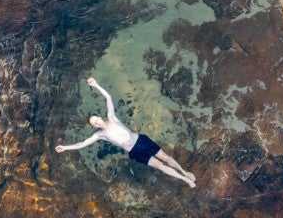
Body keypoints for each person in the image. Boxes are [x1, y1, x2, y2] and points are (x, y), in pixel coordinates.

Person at [54, 77, 196, 188]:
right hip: (134, 151)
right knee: (161, 166)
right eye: (93, 123)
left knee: (165, 157)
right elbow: (83, 144)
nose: (96, 122)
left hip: (141, 141)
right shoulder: (100, 135)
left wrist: (95, 85)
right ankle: (184, 179)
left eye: (95, 118)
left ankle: (184, 172)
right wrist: (66, 147)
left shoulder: (111, 117)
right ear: (94, 126)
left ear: (99, 116)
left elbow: (108, 97)